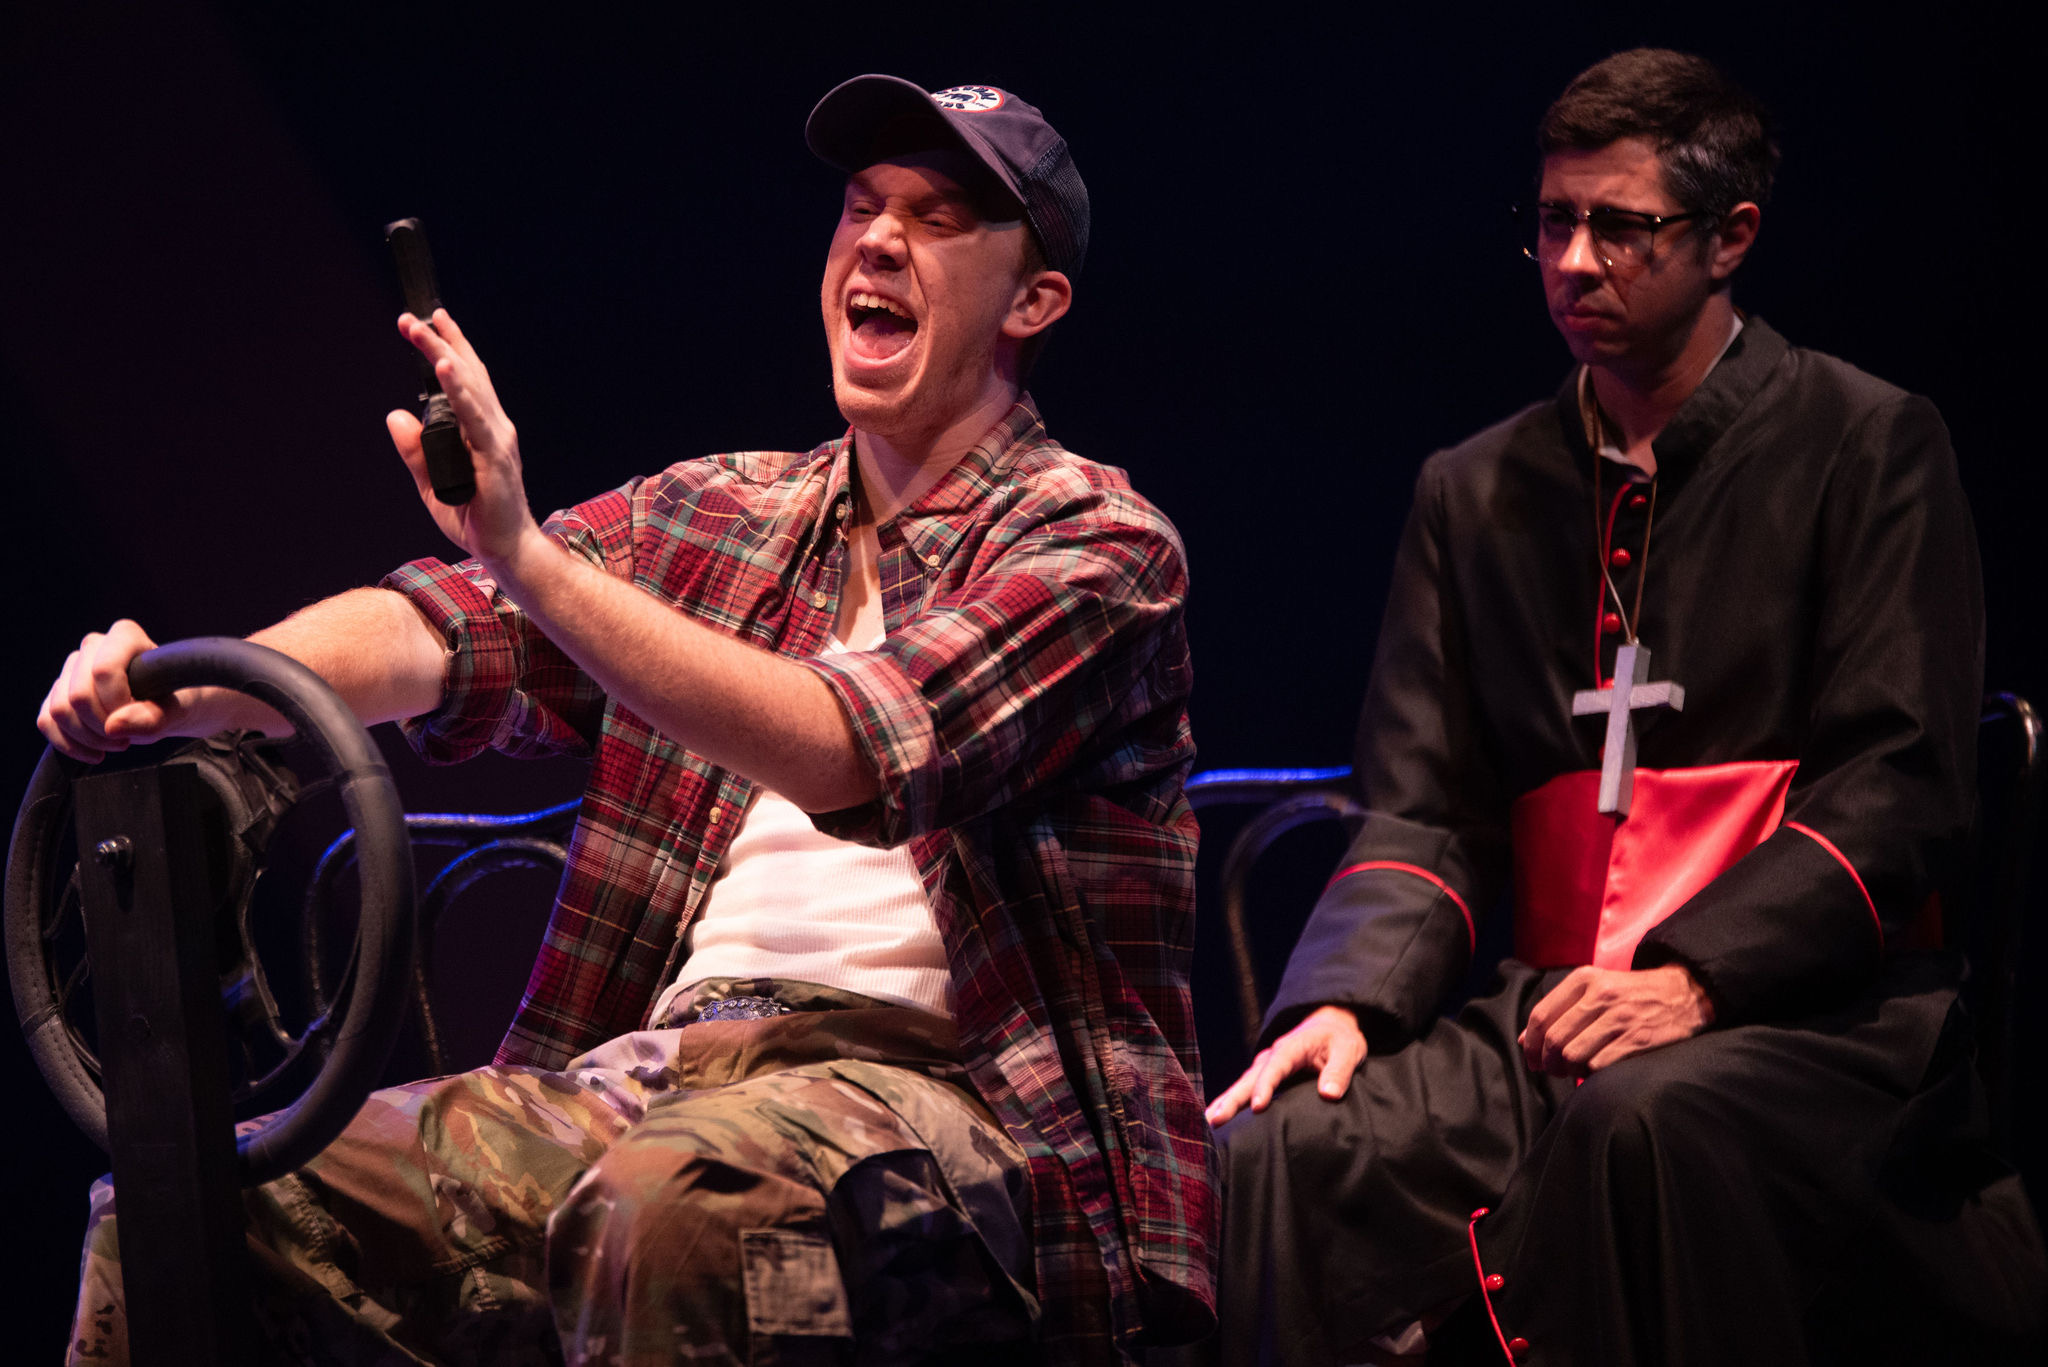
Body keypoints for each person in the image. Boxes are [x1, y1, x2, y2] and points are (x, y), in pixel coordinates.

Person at [40, 75, 1216, 1365]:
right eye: (862, 208)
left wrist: (537, 560)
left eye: (937, 219)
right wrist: (183, 692)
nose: (877, 240)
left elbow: (849, 745)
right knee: (190, 1209)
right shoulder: (723, 510)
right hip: (666, 1075)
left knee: (675, 1212)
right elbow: (446, 626)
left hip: (952, 1113)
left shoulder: (1101, 546)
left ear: (1035, 299)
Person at [1199, 48, 2045, 1367]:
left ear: (1729, 240)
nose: (1576, 260)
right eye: (1553, 222)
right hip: (1552, 1011)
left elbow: (1902, 779)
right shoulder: (1474, 493)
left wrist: (1696, 975)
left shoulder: (1868, 442)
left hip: (1814, 1018)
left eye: (1622, 227)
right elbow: (1422, 805)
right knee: (1283, 1147)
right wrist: (1350, 1001)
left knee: (1640, 1122)